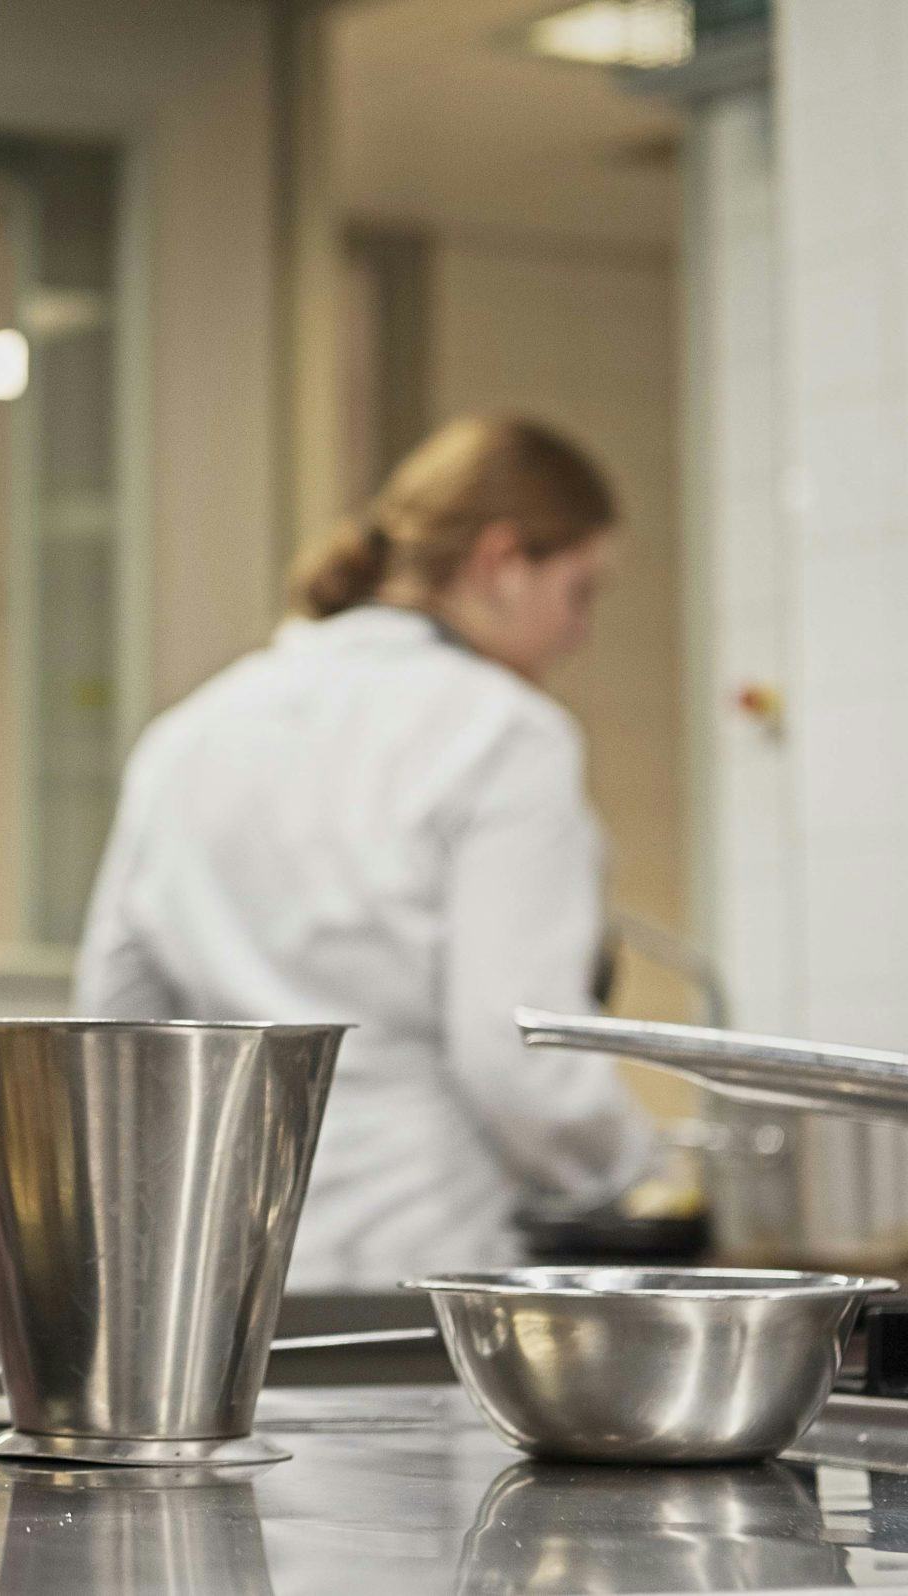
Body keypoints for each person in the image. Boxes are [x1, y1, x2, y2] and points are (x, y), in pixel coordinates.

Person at [74, 415, 653, 1289]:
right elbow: (516, 1054)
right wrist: (639, 1174)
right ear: (501, 560)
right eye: (580, 592)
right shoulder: (506, 735)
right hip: (415, 1248)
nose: (579, 633)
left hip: (214, 1263)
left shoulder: (188, 733)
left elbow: (116, 1020)